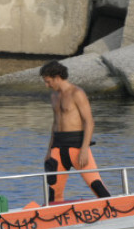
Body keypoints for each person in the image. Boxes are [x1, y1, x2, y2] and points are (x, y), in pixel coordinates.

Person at [41, 61, 111, 203]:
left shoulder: (76, 93)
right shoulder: (54, 96)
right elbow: (55, 124)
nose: (46, 85)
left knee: (96, 185)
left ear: (57, 77)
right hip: (58, 147)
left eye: (48, 82)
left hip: (77, 147)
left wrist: (84, 149)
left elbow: (89, 122)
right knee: (53, 193)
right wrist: (49, 151)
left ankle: (116, 211)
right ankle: (55, 219)